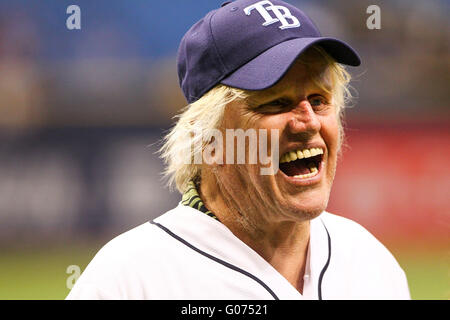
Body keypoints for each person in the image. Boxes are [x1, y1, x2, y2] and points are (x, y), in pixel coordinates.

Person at [67, 0, 410, 300]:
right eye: (276, 103)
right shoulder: (129, 282)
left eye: (319, 100)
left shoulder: (370, 264)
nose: (308, 122)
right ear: (208, 141)